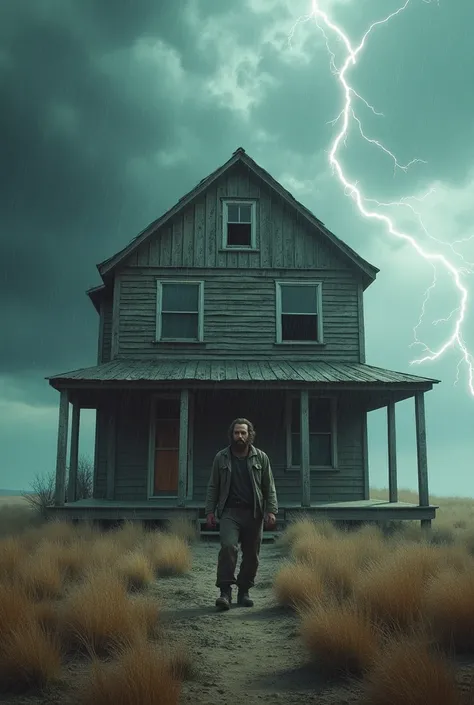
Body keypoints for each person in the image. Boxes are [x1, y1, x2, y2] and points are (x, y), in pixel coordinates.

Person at [205, 417, 278, 611]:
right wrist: (210, 511)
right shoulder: (221, 457)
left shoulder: (260, 457)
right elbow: (213, 486)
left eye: (243, 433)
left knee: (252, 555)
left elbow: (268, 486)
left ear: (249, 435)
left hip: (254, 513)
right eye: (236, 432)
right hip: (229, 512)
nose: (240, 436)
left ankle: (244, 591)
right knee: (228, 547)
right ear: (232, 434)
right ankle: (225, 591)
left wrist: (271, 510)